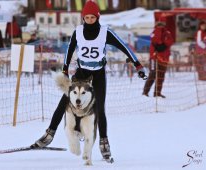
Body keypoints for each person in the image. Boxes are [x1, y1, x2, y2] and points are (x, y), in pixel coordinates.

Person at [31, 0, 146, 161]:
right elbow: (69, 50)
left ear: (97, 17)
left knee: (100, 109)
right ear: (83, 18)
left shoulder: (105, 32)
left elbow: (124, 47)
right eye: (87, 17)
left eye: (93, 17)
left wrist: (138, 65)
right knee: (64, 102)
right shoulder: (77, 31)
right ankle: (49, 134)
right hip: (81, 74)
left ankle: (104, 142)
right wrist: (64, 70)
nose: (90, 20)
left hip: (98, 75)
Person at [142, 17, 174, 98]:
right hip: (156, 58)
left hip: (161, 58)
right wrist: (163, 43)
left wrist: (163, 44)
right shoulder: (157, 31)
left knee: (158, 76)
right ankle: (147, 92)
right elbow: (156, 39)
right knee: (154, 75)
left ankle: (155, 93)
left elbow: (169, 41)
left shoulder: (166, 32)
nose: (161, 25)